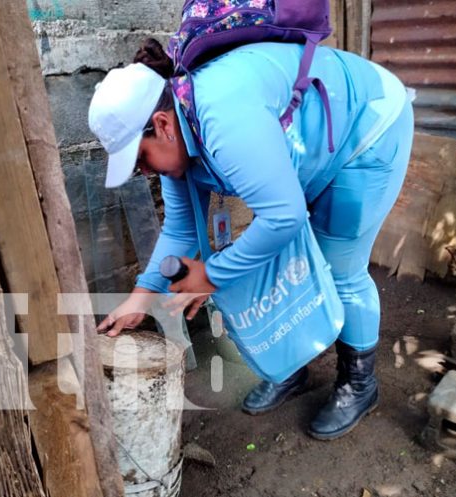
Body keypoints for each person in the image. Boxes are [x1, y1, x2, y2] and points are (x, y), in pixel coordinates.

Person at [90, 38, 413, 440]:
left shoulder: (222, 117)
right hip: (313, 144)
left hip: (367, 128)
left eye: (140, 159)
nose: (143, 173)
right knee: (276, 256)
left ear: (161, 125)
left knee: (340, 266)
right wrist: (141, 296)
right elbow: (181, 228)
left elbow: (284, 216)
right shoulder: (180, 135)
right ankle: (291, 366)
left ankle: (359, 386)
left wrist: (210, 275)